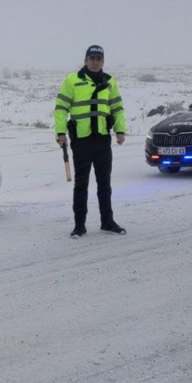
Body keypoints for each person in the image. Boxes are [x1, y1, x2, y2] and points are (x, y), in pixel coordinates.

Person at [54, 46, 127, 239]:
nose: (95, 61)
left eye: (98, 58)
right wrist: (60, 133)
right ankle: (79, 226)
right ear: (85, 60)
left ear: (103, 62)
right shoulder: (72, 80)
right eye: (91, 58)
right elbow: (61, 108)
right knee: (81, 184)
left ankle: (107, 222)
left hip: (102, 139)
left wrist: (120, 130)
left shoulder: (110, 81)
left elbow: (117, 107)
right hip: (81, 140)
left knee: (105, 183)